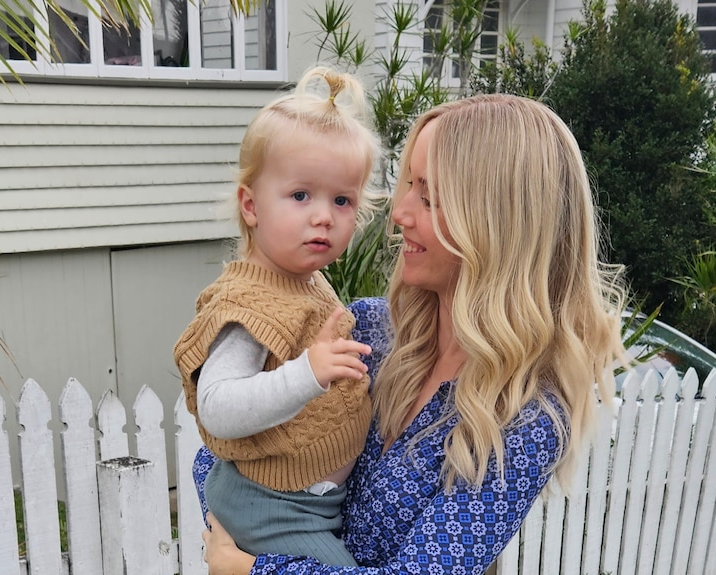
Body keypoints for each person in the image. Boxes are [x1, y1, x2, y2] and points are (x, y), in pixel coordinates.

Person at [195, 93, 627, 575]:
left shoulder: (523, 420)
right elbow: (222, 452)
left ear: (496, 225)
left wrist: (250, 568)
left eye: (428, 196)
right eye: (407, 187)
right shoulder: (371, 333)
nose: (400, 213)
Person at [174, 66, 382, 566]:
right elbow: (220, 408)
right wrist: (308, 372)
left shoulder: (304, 279)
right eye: (301, 195)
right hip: (274, 507)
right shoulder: (248, 305)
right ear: (251, 205)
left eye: (342, 200)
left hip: (305, 501)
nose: (324, 216)